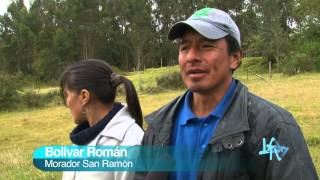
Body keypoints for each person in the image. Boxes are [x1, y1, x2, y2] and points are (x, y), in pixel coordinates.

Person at [138, 7, 318, 180]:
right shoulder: (159, 127)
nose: (191, 56)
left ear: (235, 58)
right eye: (185, 48)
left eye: (206, 46)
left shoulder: (273, 129)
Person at [60, 59, 144, 180]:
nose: (67, 103)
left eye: (67, 95)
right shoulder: (80, 140)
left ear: (84, 96)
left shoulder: (130, 143)